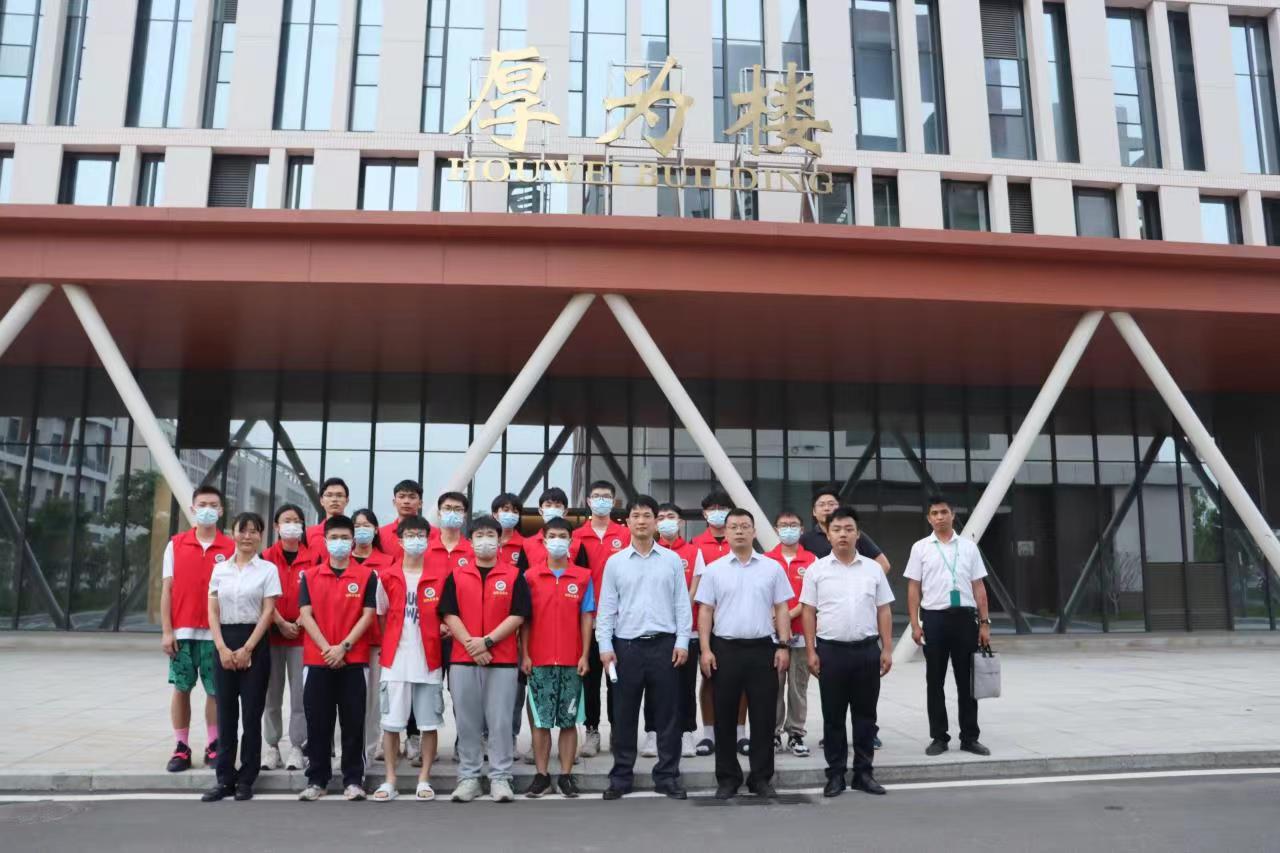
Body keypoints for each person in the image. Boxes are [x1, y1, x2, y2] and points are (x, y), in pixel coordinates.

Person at [596, 495, 692, 801]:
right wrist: (604, 646)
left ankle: (667, 776)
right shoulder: (615, 563)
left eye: (647, 515)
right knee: (623, 715)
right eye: (635, 515)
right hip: (626, 648)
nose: (641, 521)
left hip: (665, 646)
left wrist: (682, 641)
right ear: (627, 521)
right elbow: (606, 608)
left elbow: (682, 604)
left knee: (668, 715)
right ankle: (621, 776)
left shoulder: (671, 560)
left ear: (656, 521)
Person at [696, 508, 793, 800]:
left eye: (745, 526)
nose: (739, 531)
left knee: (763, 717)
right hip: (725, 649)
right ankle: (727, 778)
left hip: (763, 649)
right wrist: (705, 649)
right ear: (725, 533)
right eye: (734, 526)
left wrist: (783, 645)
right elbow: (705, 611)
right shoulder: (714, 570)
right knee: (724, 716)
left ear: (754, 531)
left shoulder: (772, 568)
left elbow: (782, 607)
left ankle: (761, 778)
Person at [800, 506, 895, 798]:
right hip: (831, 652)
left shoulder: (873, 569)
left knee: (865, 716)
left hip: (866, 651)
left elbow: (883, 610)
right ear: (828, 534)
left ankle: (864, 773)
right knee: (833, 717)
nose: (843, 534)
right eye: (837, 529)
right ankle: (836, 774)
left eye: (849, 529)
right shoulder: (816, 570)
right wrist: (811, 650)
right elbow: (808, 612)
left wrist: (887, 648)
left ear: (858, 534)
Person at [439, 517, 531, 803]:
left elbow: (518, 614)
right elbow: (449, 613)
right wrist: (472, 645)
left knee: (500, 722)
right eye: (479, 535)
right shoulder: (457, 575)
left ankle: (500, 777)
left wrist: (487, 641)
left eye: (490, 534)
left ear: (499, 539)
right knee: (467, 722)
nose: (485, 540)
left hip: (501, 659)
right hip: (463, 660)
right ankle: (469, 777)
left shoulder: (513, 576)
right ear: (470, 541)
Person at [296, 515, 378, 802]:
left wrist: (343, 647)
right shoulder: (310, 575)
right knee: (318, 722)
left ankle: (353, 779)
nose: (339, 543)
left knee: (353, 722)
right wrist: (327, 649)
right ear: (325, 541)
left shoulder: (367, 576)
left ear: (353, 541)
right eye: (334, 538)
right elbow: (305, 615)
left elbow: (368, 615)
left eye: (345, 538)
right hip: (317, 660)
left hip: (353, 660)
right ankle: (317, 779)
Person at [905, 495, 992, 758]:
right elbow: (913, 588)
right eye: (934, 513)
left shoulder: (969, 547)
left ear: (952, 515)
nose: (940, 517)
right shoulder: (920, 548)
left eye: (944, 512)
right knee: (935, 681)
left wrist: (984, 623)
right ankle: (939, 737)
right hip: (934, 619)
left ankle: (970, 737)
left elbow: (979, 587)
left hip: (965, 619)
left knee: (967, 681)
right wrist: (915, 624)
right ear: (929, 518)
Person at [202, 512, 281, 802]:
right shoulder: (220, 569)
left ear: (261, 535)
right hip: (224, 639)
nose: (248, 536)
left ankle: (247, 778)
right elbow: (212, 611)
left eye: (254, 531)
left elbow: (268, 612)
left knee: (251, 715)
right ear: (233, 533)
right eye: (242, 530)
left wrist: (248, 649)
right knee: (226, 714)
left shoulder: (267, 570)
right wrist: (222, 648)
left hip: (255, 642)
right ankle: (224, 778)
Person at [371, 516, 446, 802]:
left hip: (429, 661)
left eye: (421, 535)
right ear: (400, 541)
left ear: (428, 540)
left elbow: (447, 615)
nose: (416, 540)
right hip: (395, 661)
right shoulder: (387, 576)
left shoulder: (440, 576)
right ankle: (390, 779)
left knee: (428, 724)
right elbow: (381, 615)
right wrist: (392, 643)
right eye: (410, 535)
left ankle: (424, 778)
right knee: (391, 724)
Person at [161, 485, 235, 773]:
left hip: (217, 635)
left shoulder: (230, 547)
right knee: (182, 688)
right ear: (192, 509)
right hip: (182, 633)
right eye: (202, 504)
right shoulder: (176, 544)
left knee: (216, 691)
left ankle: (213, 744)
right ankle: (181, 747)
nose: (207, 509)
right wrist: (167, 631)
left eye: (213, 505)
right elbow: (167, 589)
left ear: (221, 510)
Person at [520, 517, 593, 798]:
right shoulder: (530, 577)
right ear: (544, 540)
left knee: (568, 720)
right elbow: (525, 620)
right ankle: (541, 776)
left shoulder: (583, 577)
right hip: (538, 660)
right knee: (540, 722)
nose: (558, 541)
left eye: (563, 536)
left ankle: (565, 776)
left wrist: (585, 655)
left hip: (571, 660)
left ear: (571, 541)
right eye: (552, 536)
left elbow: (586, 618)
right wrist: (525, 654)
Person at [572, 480, 630, 757]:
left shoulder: (625, 534)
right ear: (588, 501)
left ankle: (618, 730)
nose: (601, 500)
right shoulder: (576, 536)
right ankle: (592, 731)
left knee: (618, 680)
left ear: (614, 501)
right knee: (590, 680)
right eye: (596, 496)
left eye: (606, 496)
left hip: (621, 621)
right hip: (588, 620)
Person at [689, 490, 747, 758]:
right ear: (704, 514)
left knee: (742, 680)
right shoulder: (695, 545)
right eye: (712, 508)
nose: (717, 513)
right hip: (706, 621)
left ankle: (740, 732)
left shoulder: (742, 542)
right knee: (709, 677)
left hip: (738, 619)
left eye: (722, 508)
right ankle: (709, 733)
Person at [261, 504, 318, 772]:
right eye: (286, 520)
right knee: (271, 696)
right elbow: (261, 596)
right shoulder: (265, 557)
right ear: (276, 526)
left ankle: (297, 747)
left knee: (300, 697)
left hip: (302, 638)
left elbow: (318, 594)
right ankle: (272, 747)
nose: (292, 525)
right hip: (272, 637)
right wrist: (280, 622)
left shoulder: (314, 558)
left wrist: (299, 621)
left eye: (297, 520)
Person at [644, 502, 703, 759]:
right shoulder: (649, 552)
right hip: (656, 630)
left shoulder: (693, 552)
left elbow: (694, 590)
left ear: (680, 522)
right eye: (661, 517)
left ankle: (686, 732)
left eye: (671, 516)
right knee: (653, 684)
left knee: (685, 685)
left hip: (687, 631)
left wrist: (679, 614)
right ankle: (652, 732)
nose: (666, 520)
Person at [765, 509, 817, 757]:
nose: (788, 529)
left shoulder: (812, 560)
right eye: (783, 525)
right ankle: (773, 733)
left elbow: (812, 598)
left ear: (802, 529)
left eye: (793, 525)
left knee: (798, 687)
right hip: (772, 636)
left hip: (801, 634)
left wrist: (787, 614)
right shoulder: (766, 560)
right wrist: (774, 617)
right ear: (776, 529)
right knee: (772, 687)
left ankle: (796, 733)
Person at [352, 509, 394, 765]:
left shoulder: (388, 562)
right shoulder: (341, 560)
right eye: (357, 525)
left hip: (377, 641)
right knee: (347, 700)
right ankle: (345, 750)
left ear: (376, 529)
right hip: (346, 642)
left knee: (373, 701)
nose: (362, 530)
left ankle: (367, 751)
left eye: (367, 525)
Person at [378, 479, 424, 559]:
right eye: (402, 497)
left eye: (412, 497)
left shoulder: (434, 534)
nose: (406, 501)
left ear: (420, 503)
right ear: (394, 502)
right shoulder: (380, 534)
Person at [306, 478, 351, 543]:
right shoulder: (309, 534)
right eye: (329, 495)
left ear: (347, 501)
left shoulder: (354, 534)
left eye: (339, 495)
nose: (334, 499)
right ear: (321, 501)